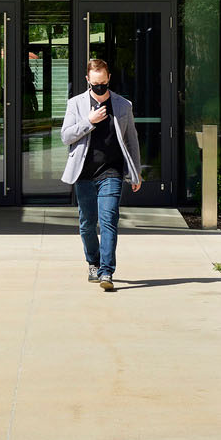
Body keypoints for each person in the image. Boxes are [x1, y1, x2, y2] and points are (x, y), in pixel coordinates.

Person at [61, 54, 142, 292]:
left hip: (111, 172)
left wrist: (136, 173)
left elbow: (132, 141)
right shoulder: (75, 104)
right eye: (94, 83)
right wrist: (89, 120)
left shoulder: (123, 105)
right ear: (88, 79)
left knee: (109, 220)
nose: (99, 87)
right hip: (84, 173)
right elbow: (66, 136)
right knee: (87, 224)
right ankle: (93, 263)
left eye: (102, 82)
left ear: (109, 78)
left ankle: (107, 271)